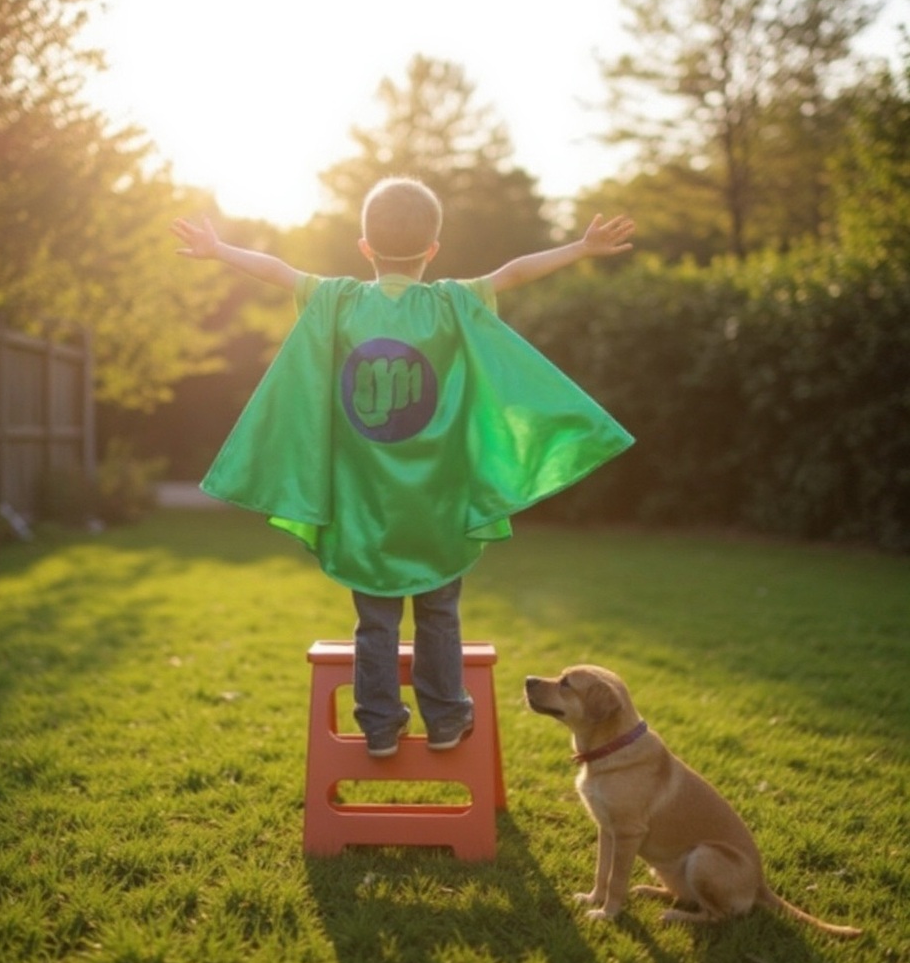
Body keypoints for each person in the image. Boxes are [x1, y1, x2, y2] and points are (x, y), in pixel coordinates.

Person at [171, 177, 635, 757]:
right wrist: (580, 248)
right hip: (437, 503)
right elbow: (514, 272)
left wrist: (219, 249)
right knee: (439, 614)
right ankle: (445, 721)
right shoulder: (451, 302)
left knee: (375, 622)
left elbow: (277, 270)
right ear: (432, 250)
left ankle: (380, 727)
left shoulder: (338, 300)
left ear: (365, 246)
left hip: (365, 505)